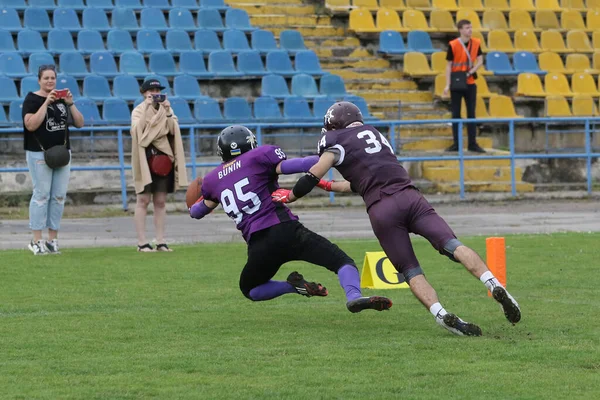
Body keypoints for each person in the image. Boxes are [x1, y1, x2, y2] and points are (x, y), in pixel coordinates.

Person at [271, 102, 521, 336]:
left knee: (410, 269)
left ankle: (441, 313)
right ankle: (494, 284)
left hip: (382, 208)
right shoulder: (376, 135)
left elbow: (312, 175)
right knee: (453, 245)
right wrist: (329, 186)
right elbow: (359, 183)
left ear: (333, 125)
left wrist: (291, 195)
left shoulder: (334, 141)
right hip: (410, 196)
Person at [189, 125, 392, 313]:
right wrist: (332, 158)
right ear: (250, 143)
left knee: (250, 288)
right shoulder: (259, 156)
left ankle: (291, 287)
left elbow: (197, 211)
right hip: (286, 230)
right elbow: (301, 164)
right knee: (341, 261)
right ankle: (353, 296)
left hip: (259, 245)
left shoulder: (212, 180)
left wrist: (194, 204)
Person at [23, 65, 85, 255]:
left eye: (53, 78)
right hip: (38, 153)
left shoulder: (62, 101)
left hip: (62, 153)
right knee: (41, 196)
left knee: (58, 197)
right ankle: (36, 240)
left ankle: (52, 240)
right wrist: (46, 103)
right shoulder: (32, 99)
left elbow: (80, 124)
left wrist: (70, 103)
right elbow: (30, 125)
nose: (50, 81)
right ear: (39, 80)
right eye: (46, 78)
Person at [130, 79, 188, 252]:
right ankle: (142, 242)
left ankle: (161, 241)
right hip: (145, 157)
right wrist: (148, 107)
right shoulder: (138, 110)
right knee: (143, 199)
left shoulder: (166, 109)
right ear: (143, 93)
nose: (154, 93)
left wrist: (168, 110)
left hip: (163, 158)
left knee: (161, 201)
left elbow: (173, 130)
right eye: (151, 90)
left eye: (157, 90)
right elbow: (137, 132)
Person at [443, 19, 485, 153]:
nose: (470, 30)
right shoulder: (453, 45)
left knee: (471, 113)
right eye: (467, 28)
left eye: (470, 27)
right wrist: (447, 84)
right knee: (456, 113)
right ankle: (456, 144)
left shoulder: (476, 43)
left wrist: (471, 72)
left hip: (470, 82)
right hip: (456, 82)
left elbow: (480, 60)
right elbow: (449, 66)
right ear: (460, 30)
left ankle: (472, 143)